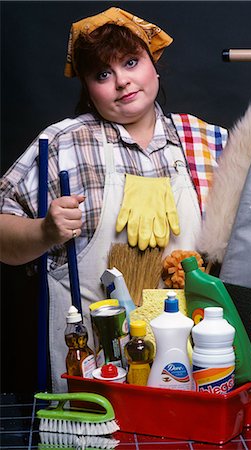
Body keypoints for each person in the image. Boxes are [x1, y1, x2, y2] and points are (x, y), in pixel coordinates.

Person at [0, 7, 227, 391]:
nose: (122, 81)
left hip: (192, 362)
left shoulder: (207, 143)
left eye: (131, 62)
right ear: (88, 87)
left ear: (153, 64)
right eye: (103, 74)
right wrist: (44, 231)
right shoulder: (61, 144)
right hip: (91, 361)